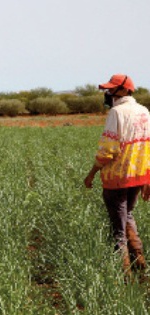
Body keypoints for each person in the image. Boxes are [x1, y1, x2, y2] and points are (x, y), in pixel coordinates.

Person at [84, 74, 149, 279]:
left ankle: (124, 273)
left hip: (117, 176)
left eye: (111, 89)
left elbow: (108, 150)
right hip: (137, 177)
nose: (108, 93)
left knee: (117, 227)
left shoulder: (116, 112)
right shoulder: (144, 111)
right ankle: (139, 260)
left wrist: (92, 173)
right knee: (127, 214)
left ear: (124, 90)